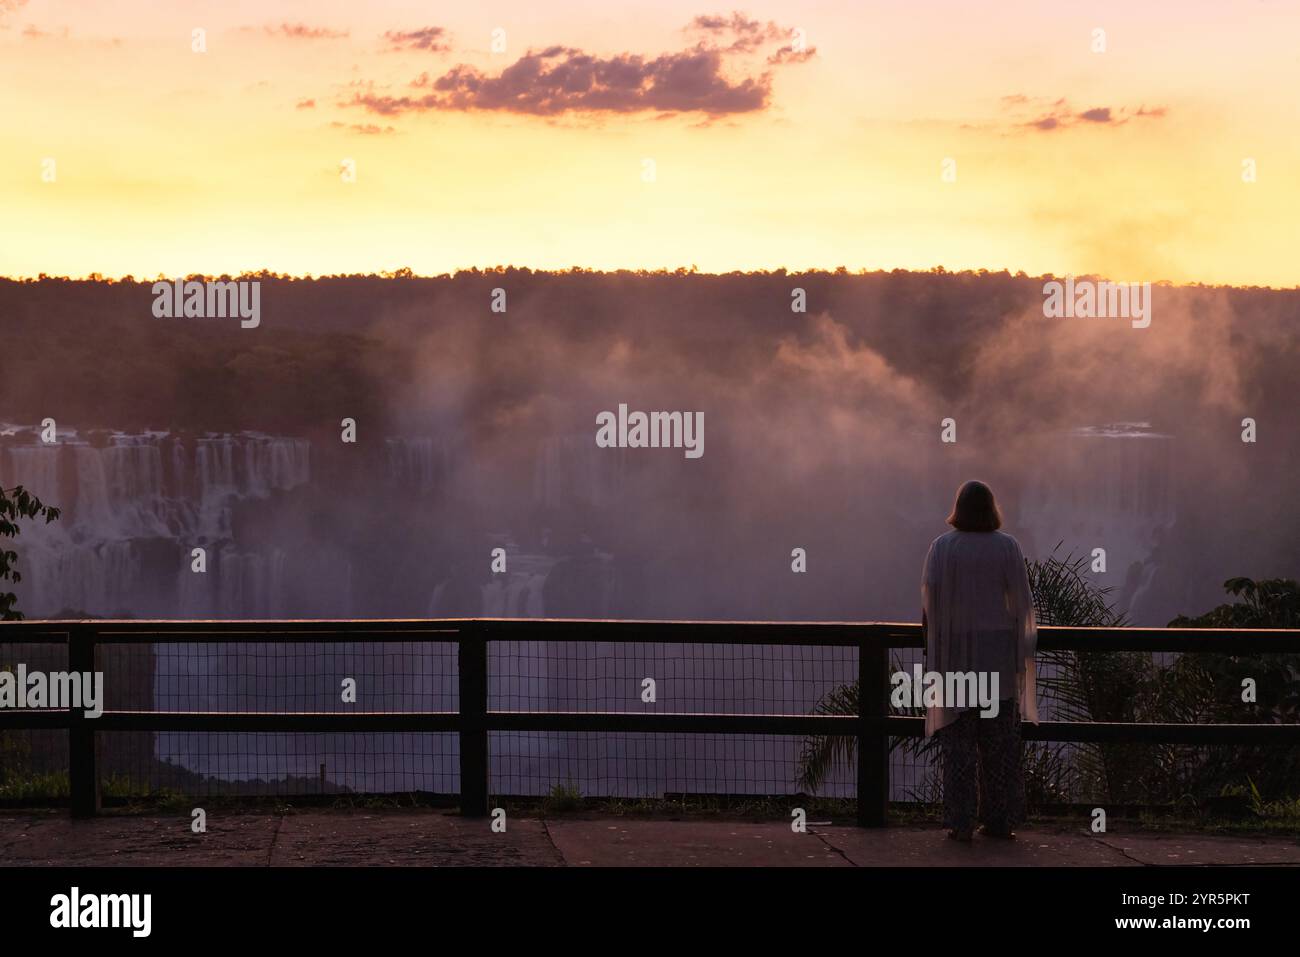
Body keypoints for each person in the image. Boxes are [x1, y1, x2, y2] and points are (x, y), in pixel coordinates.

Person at [921, 480, 1038, 842]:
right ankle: (999, 821)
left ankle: (960, 823)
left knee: (959, 751)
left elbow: (930, 604)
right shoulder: (1007, 547)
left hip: (957, 662)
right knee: (997, 749)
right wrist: (1020, 653)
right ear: (991, 509)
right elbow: (1021, 604)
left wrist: (934, 648)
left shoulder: (942, 548)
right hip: (998, 664)